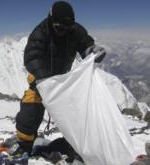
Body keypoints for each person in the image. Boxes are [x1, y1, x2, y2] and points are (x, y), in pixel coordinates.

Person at [15, 1, 106, 154]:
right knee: (30, 113)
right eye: (59, 27)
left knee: (76, 114)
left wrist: (92, 51)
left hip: (64, 82)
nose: (63, 31)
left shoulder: (75, 31)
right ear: (51, 21)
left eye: (67, 28)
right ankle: (24, 147)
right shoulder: (40, 33)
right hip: (40, 82)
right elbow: (32, 57)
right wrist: (44, 79)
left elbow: (86, 45)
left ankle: (76, 147)